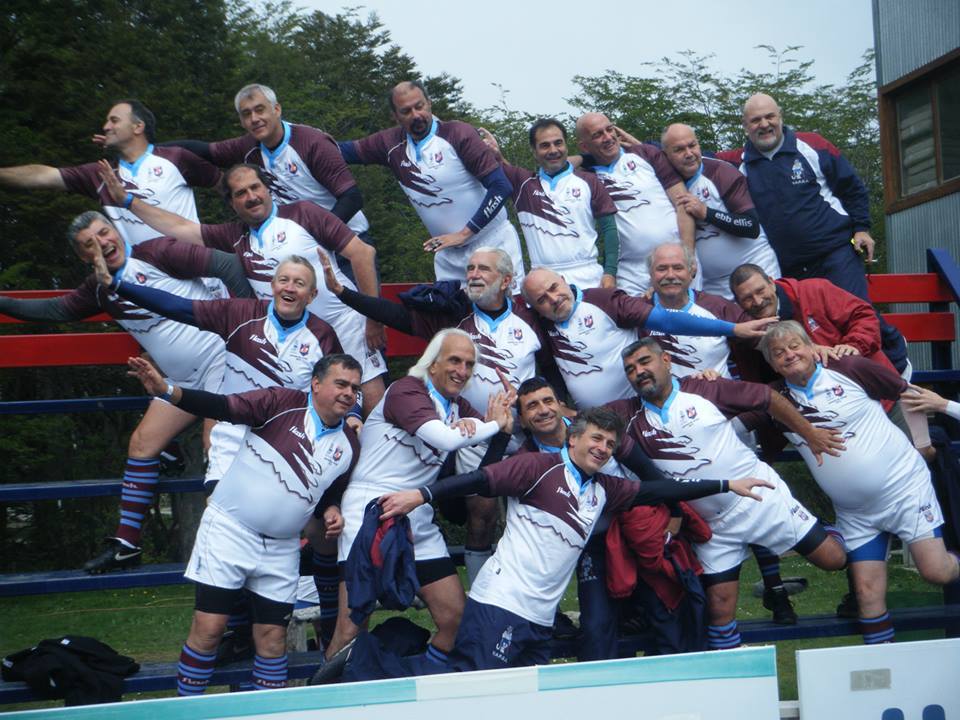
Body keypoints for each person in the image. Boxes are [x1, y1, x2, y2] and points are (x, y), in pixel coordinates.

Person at [362, 407, 772, 675]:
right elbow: (479, 480)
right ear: (571, 439)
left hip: (540, 620)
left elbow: (659, 490)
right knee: (477, 697)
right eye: (595, 439)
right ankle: (375, 672)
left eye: (610, 445)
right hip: (501, 604)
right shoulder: (537, 467)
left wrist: (726, 483)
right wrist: (420, 495)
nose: (603, 448)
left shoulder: (604, 489)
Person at [91, 252, 351, 649]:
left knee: (310, 530)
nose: (289, 288)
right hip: (233, 433)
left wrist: (354, 417)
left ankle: (325, 628)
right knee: (228, 523)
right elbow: (177, 307)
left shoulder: (322, 335)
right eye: (283, 279)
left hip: (287, 440)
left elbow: (339, 384)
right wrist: (119, 286)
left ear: (312, 294)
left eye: (299, 283)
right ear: (272, 285)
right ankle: (236, 630)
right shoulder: (239, 313)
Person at [0, 211, 249, 572]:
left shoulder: (158, 252)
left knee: (215, 441)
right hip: (180, 379)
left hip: (224, 360)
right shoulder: (99, 289)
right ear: (84, 257)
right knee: (142, 444)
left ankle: (231, 549)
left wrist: (252, 325)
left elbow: (227, 263)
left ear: (116, 231)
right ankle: (127, 544)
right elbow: (53, 308)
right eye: (90, 243)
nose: (102, 243)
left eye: (104, 232)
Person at [126, 352, 362, 694]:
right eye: (341, 383)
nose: (348, 393)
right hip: (230, 530)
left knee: (272, 640)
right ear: (316, 382)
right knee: (208, 630)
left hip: (281, 549)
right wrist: (169, 391)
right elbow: (222, 406)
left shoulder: (349, 445)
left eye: (355, 388)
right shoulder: (280, 402)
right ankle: (188, 711)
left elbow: (328, 493)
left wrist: (331, 509)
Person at [319, 246, 549, 585]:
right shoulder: (452, 317)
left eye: (482, 269)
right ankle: (480, 593)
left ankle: (536, 598)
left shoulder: (530, 320)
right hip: (471, 427)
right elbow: (394, 315)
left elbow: (550, 371)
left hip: (524, 428)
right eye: (469, 268)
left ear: (506, 281)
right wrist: (343, 293)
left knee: (539, 511)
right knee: (482, 514)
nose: (472, 275)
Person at [609, 337, 849, 649]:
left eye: (645, 362)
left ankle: (823, 528)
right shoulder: (626, 414)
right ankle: (729, 680)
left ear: (666, 361)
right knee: (719, 610)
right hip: (712, 529)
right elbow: (581, 423)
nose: (639, 371)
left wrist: (810, 432)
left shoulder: (706, 389)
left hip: (759, 498)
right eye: (630, 369)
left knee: (834, 560)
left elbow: (767, 397)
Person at [97, 161, 387, 414]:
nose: (251, 197)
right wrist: (127, 202)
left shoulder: (304, 213)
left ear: (267, 188)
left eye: (255, 187)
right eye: (240, 193)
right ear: (232, 203)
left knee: (372, 404)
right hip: (296, 339)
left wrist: (373, 318)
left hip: (347, 324)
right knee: (305, 416)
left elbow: (362, 254)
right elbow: (180, 228)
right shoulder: (234, 236)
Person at [757, 321, 960, 644]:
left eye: (795, 346)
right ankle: (886, 675)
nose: (789, 355)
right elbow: (734, 422)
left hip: (904, 489)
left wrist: (921, 445)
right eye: (778, 353)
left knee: (935, 571)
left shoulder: (848, 367)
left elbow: (905, 393)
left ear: (811, 346)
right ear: (771, 363)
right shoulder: (773, 401)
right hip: (855, 513)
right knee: (866, 595)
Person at [325, 329, 515, 672]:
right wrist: (491, 424)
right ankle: (324, 705)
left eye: (469, 364)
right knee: (351, 627)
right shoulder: (406, 389)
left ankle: (419, 687)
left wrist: (500, 431)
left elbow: (482, 478)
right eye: (454, 360)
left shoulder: (459, 407)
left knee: (455, 619)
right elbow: (443, 438)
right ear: (432, 362)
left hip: (417, 516)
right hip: (371, 510)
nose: (462, 370)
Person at [642, 244, 801, 624]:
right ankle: (687, 601)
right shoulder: (640, 313)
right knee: (690, 510)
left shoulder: (716, 306)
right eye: (661, 268)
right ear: (651, 275)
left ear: (692, 270)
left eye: (677, 267)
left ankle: (776, 591)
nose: (670, 274)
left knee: (753, 502)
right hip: (669, 426)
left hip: (723, 422)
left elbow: (767, 334)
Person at [715, 93, 908, 375]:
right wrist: (644, 149)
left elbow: (852, 187)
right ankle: (842, 388)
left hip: (835, 252)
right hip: (792, 267)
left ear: (780, 117)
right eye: (756, 120)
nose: (764, 124)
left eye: (770, 117)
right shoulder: (735, 162)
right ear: (745, 126)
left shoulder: (812, 146)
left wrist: (862, 228)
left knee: (859, 313)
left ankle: (898, 368)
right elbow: (690, 155)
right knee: (811, 334)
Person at [167, 83, 380, 293]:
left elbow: (352, 198)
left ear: (276, 109)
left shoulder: (312, 143)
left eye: (260, 110)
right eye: (246, 114)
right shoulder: (248, 146)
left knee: (360, 318)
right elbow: (205, 151)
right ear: (241, 121)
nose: (255, 119)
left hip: (346, 244)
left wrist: (319, 235)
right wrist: (151, 150)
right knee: (312, 322)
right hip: (298, 247)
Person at [337, 80, 525, 285]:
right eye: (406, 111)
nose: (416, 115)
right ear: (395, 115)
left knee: (508, 313)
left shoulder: (458, 133)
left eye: (419, 106)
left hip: (493, 242)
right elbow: (336, 151)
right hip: (448, 253)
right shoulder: (389, 143)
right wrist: (297, 136)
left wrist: (464, 234)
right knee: (456, 317)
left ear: (429, 103)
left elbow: (501, 187)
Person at [520, 267, 776, 408]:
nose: (553, 299)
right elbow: (552, 368)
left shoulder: (604, 301)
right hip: (597, 425)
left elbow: (666, 320)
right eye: (542, 299)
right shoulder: (541, 325)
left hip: (644, 405)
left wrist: (731, 329)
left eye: (554, 288)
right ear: (533, 307)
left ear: (563, 280)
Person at [0, 99, 220, 248]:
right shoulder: (100, 174)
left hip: (200, 277)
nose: (105, 126)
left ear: (138, 127)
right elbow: (43, 176)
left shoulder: (177, 158)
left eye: (114, 120)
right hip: (148, 285)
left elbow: (226, 187)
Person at [479, 119, 619, 289]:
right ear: (534, 152)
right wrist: (496, 153)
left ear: (566, 146)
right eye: (545, 145)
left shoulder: (589, 181)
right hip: (542, 282)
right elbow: (494, 164)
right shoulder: (523, 184)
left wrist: (610, 272)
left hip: (589, 276)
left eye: (558, 143)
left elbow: (610, 229)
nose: (553, 150)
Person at [573, 112, 694, 294]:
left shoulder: (645, 153)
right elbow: (554, 166)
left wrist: (688, 256)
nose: (607, 137)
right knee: (640, 321)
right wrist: (584, 157)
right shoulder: (586, 176)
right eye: (597, 135)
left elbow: (684, 204)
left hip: (676, 259)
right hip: (631, 273)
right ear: (584, 145)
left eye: (609, 129)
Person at [659, 123, 779, 299]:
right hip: (713, 285)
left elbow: (751, 226)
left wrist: (707, 213)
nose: (689, 154)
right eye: (679, 150)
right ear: (665, 155)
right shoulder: (660, 183)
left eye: (692, 145)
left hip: (756, 267)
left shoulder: (721, 172)